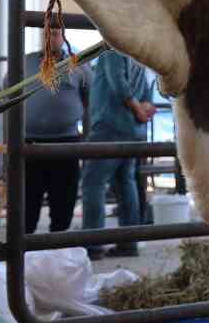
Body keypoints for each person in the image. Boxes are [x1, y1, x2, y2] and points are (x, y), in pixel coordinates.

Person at [13, 26, 89, 235]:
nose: (49, 38)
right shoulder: (25, 62)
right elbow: (7, 97)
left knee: (63, 203)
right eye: (46, 34)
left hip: (65, 143)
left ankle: (58, 251)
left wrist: (88, 141)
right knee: (27, 202)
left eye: (54, 34)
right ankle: (24, 255)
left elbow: (90, 97)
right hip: (29, 144)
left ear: (63, 37)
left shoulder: (78, 64)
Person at [81, 49, 155, 256]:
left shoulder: (113, 49)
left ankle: (92, 244)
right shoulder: (140, 52)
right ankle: (128, 243)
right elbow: (149, 86)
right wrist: (144, 106)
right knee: (125, 183)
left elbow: (118, 83)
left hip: (109, 125)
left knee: (92, 183)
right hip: (133, 129)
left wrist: (138, 109)